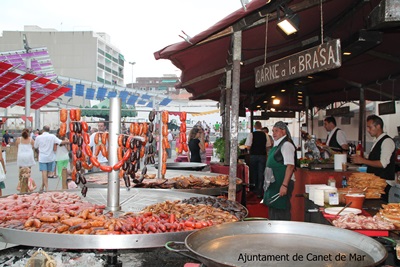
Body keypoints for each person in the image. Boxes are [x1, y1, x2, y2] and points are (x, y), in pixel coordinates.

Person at [351, 115, 396, 200]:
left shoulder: (387, 141)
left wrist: (363, 160)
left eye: (370, 127)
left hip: (383, 184)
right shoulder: (377, 140)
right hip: (375, 182)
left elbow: (383, 164)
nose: (368, 130)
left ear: (378, 126)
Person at [263, 121, 296, 221]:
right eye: (273, 131)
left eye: (276, 131)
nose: (274, 133)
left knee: (281, 211)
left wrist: (284, 185)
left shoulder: (286, 145)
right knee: (274, 209)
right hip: (275, 183)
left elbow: (290, 166)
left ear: (284, 131)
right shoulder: (277, 145)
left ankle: (283, 233)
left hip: (282, 183)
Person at [34, 125, 69, 192]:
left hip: (42, 157)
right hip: (50, 157)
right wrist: (68, 142)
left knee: (44, 172)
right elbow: (60, 142)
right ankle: (42, 186)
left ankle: (46, 188)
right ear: (49, 130)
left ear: (43, 130)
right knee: (46, 173)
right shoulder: (52, 136)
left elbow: (35, 146)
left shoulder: (39, 137)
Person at [245, 121, 267, 198]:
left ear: (255, 126)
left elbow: (248, 146)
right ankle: (260, 191)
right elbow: (269, 144)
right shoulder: (265, 135)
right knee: (261, 173)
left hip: (253, 155)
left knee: (253, 172)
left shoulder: (251, 134)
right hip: (262, 156)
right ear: (261, 126)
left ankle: (253, 189)